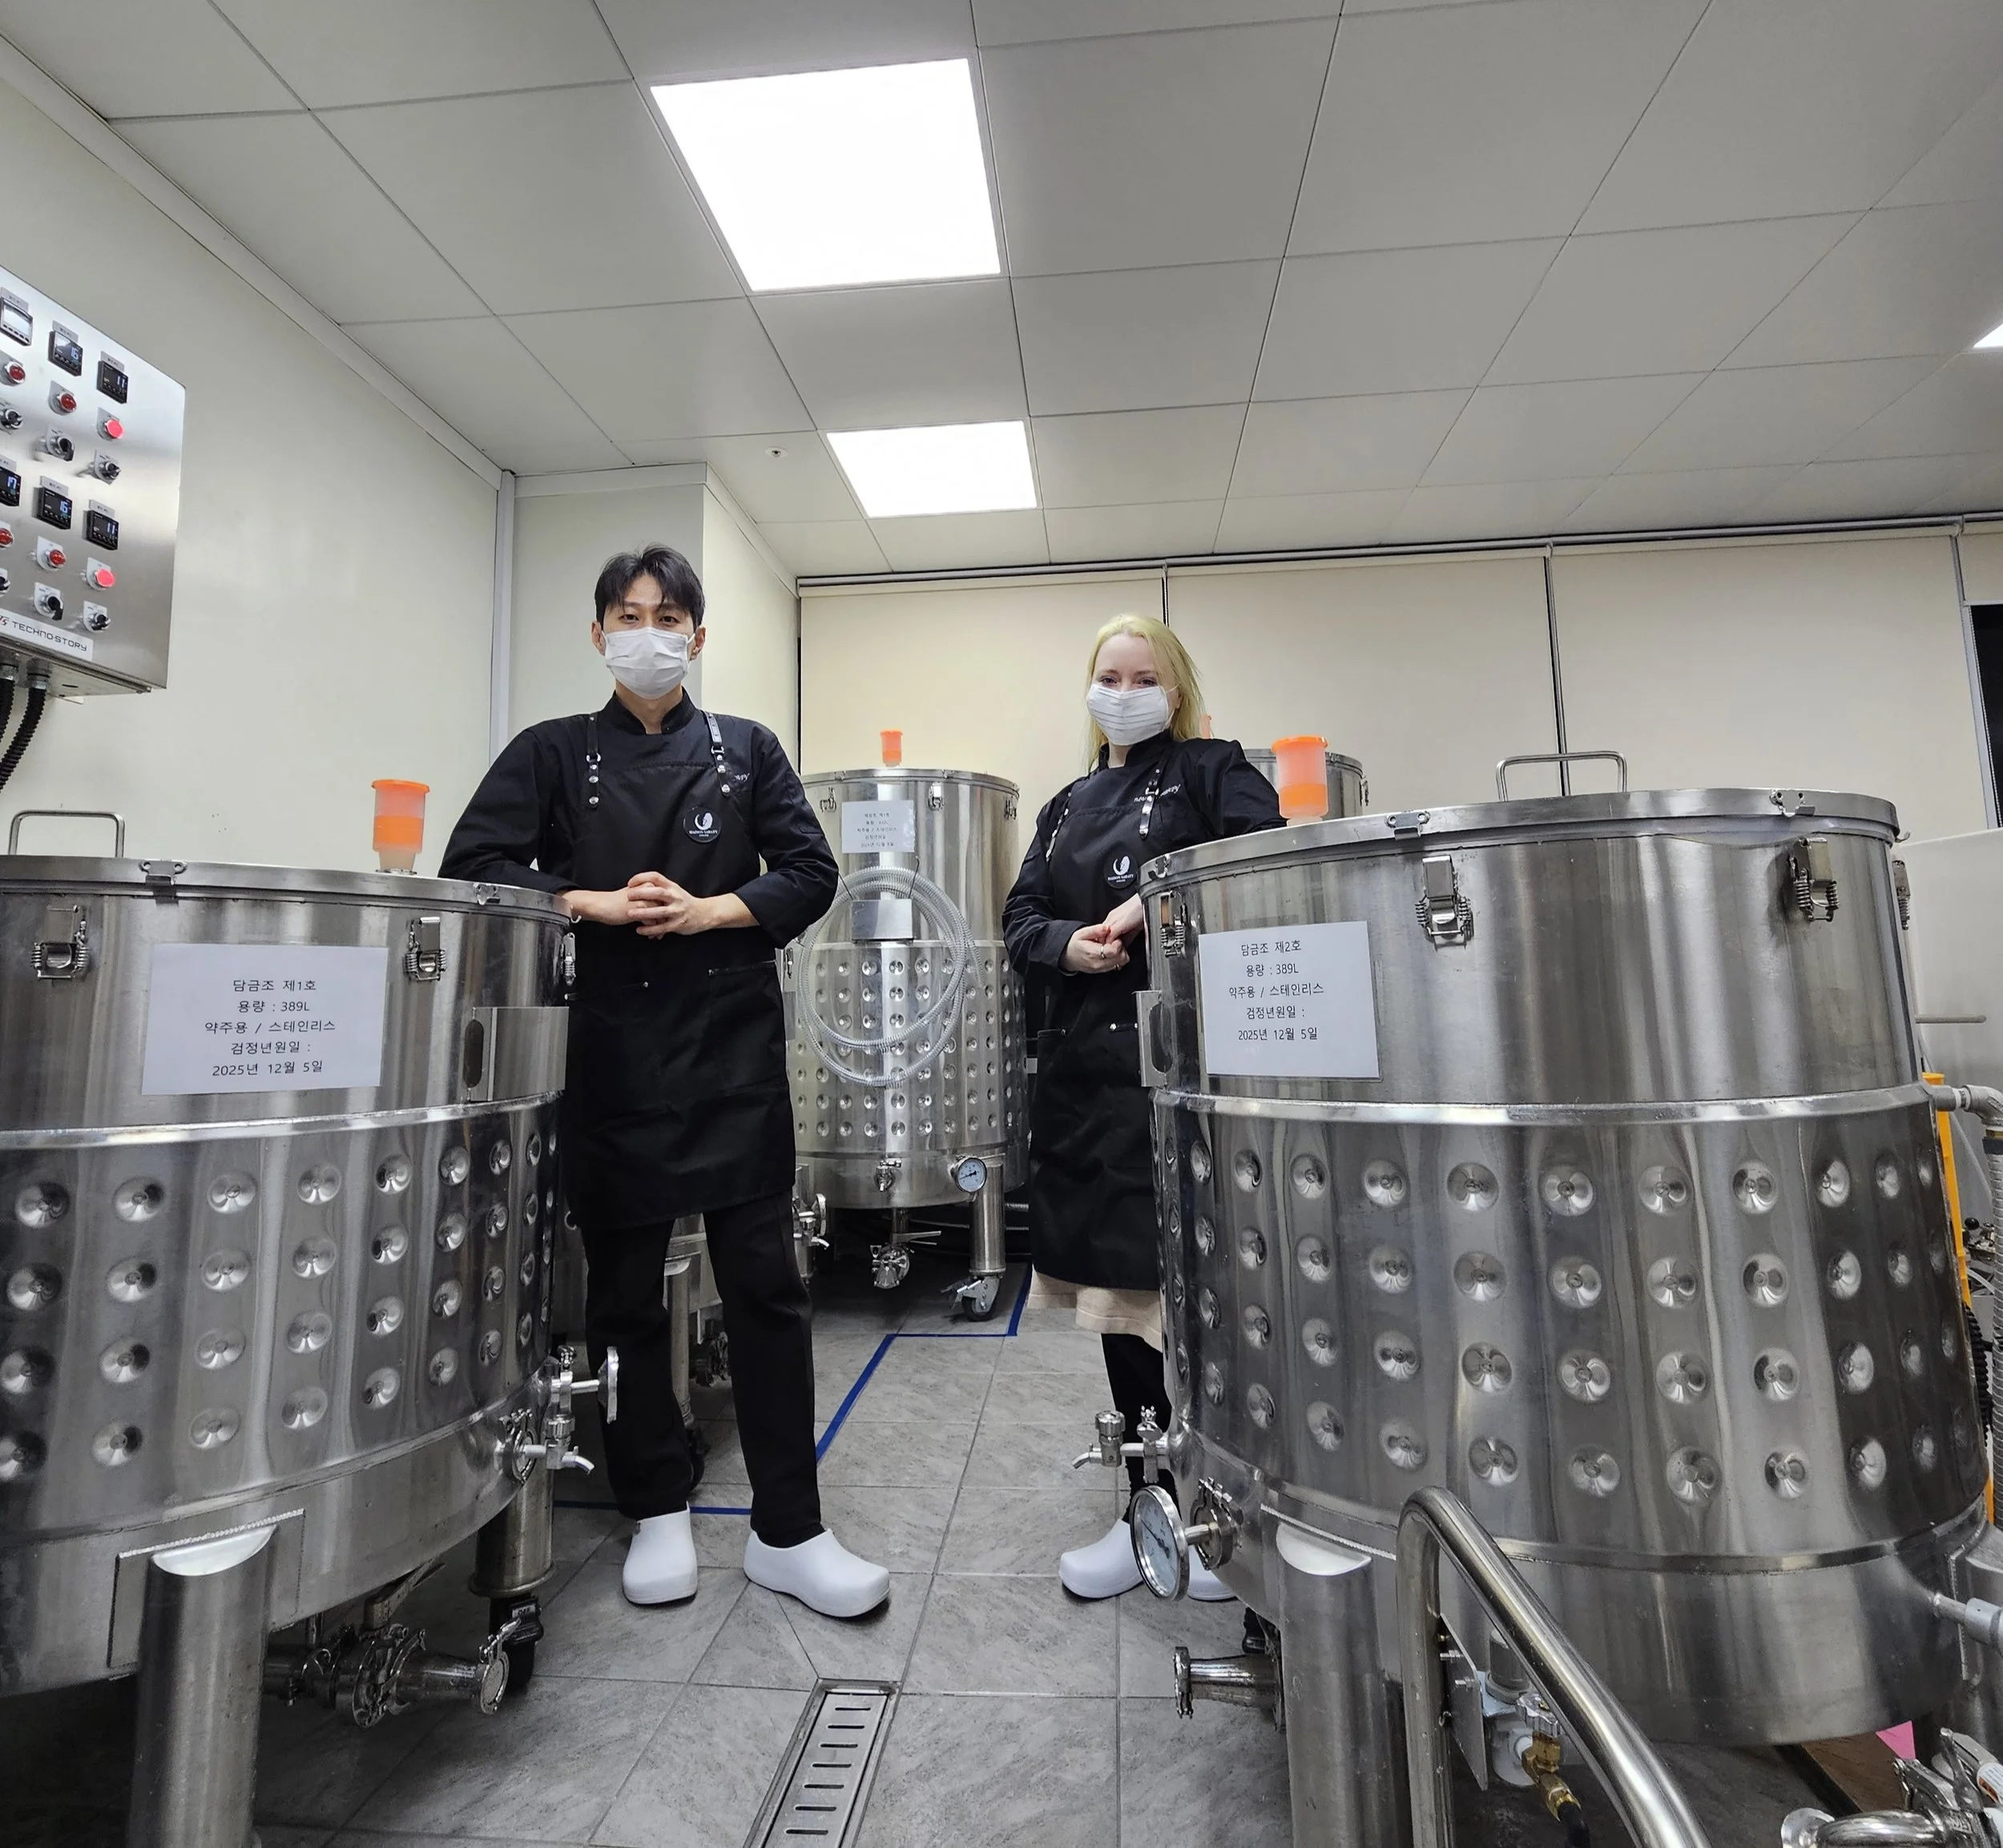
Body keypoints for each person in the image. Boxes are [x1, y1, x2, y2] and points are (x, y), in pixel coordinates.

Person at [441, 545, 889, 1620]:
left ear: (698, 635)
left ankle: (791, 1530)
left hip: (731, 1053)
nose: (649, 634)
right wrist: (588, 901)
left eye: (669, 617)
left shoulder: (748, 749)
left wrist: (707, 911)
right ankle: (655, 1510)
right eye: (629, 616)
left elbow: (810, 872)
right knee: (625, 1294)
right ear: (599, 633)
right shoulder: (551, 753)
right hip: (612, 1051)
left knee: (767, 1292)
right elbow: (474, 866)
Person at [1003, 614, 1283, 1599]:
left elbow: (1261, 860)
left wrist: (1152, 898)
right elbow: (1020, 918)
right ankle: (1148, 1509)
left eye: (1143, 677)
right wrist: (1067, 944)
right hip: (1090, 1084)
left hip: (1197, 1076)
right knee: (1124, 1305)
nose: (1124, 693)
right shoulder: (1064, 805)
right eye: (1109, 677)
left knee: (1212, 1303)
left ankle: (1231, 1520)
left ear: (1176, 688)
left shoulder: (1213, 771)